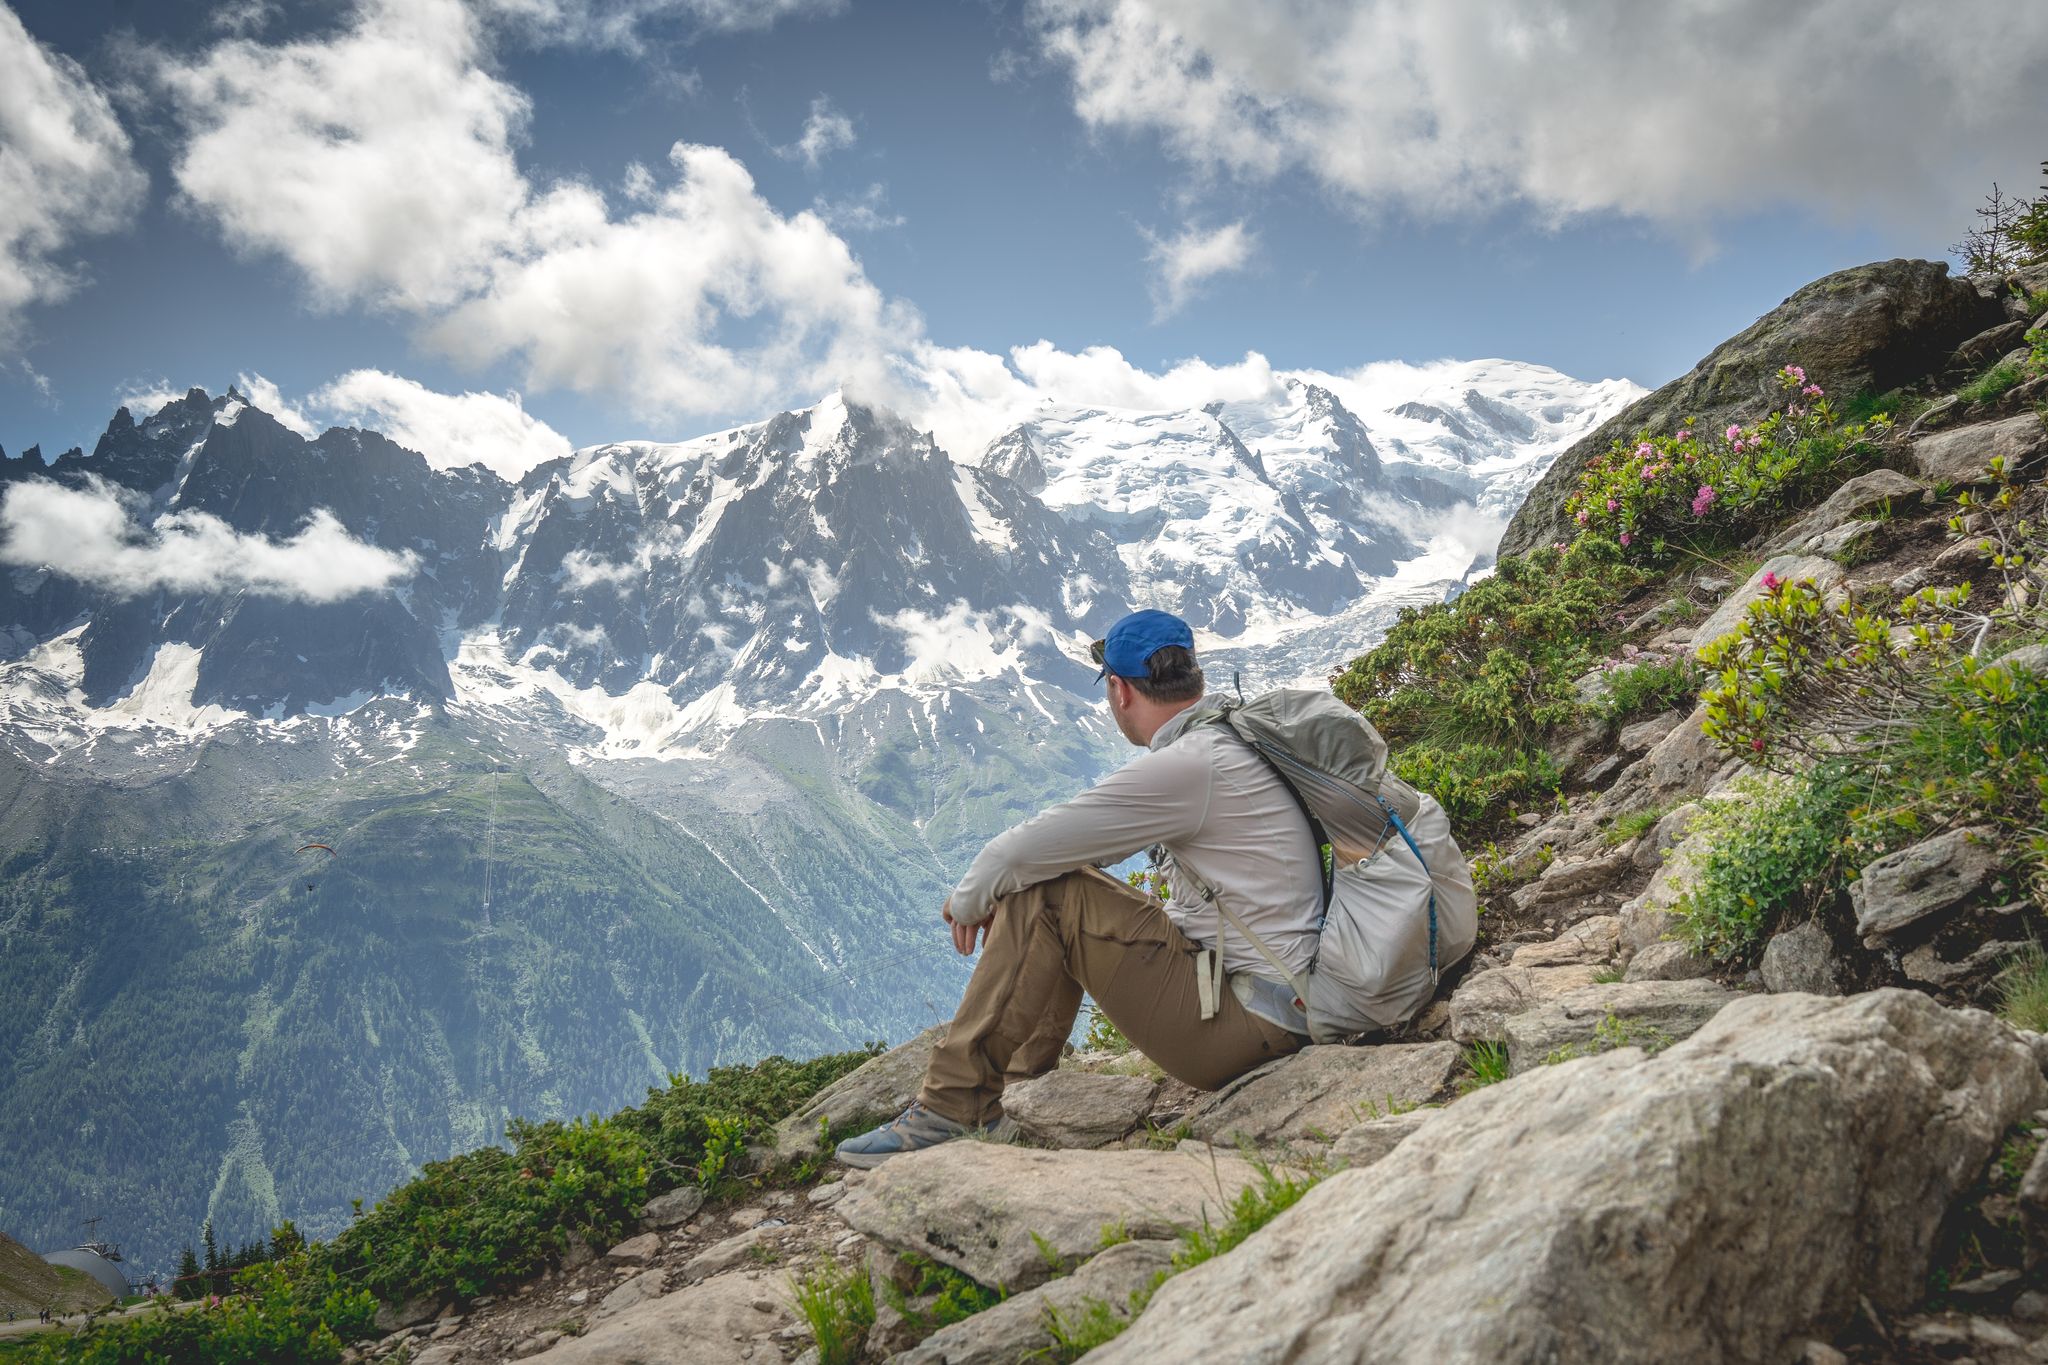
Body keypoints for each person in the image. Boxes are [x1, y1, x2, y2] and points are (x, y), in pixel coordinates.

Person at [836, 608, 1321, 1167]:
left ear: (1119, 690)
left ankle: (955, 1106)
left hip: (1250, 1023)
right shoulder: (1227, 742)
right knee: (1054, 882)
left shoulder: (1190, 766)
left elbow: (1015, 855)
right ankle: (1018, 1088)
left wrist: (968, 901)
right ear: (1195, 678)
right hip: (1273, 998)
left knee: (1047, 890)